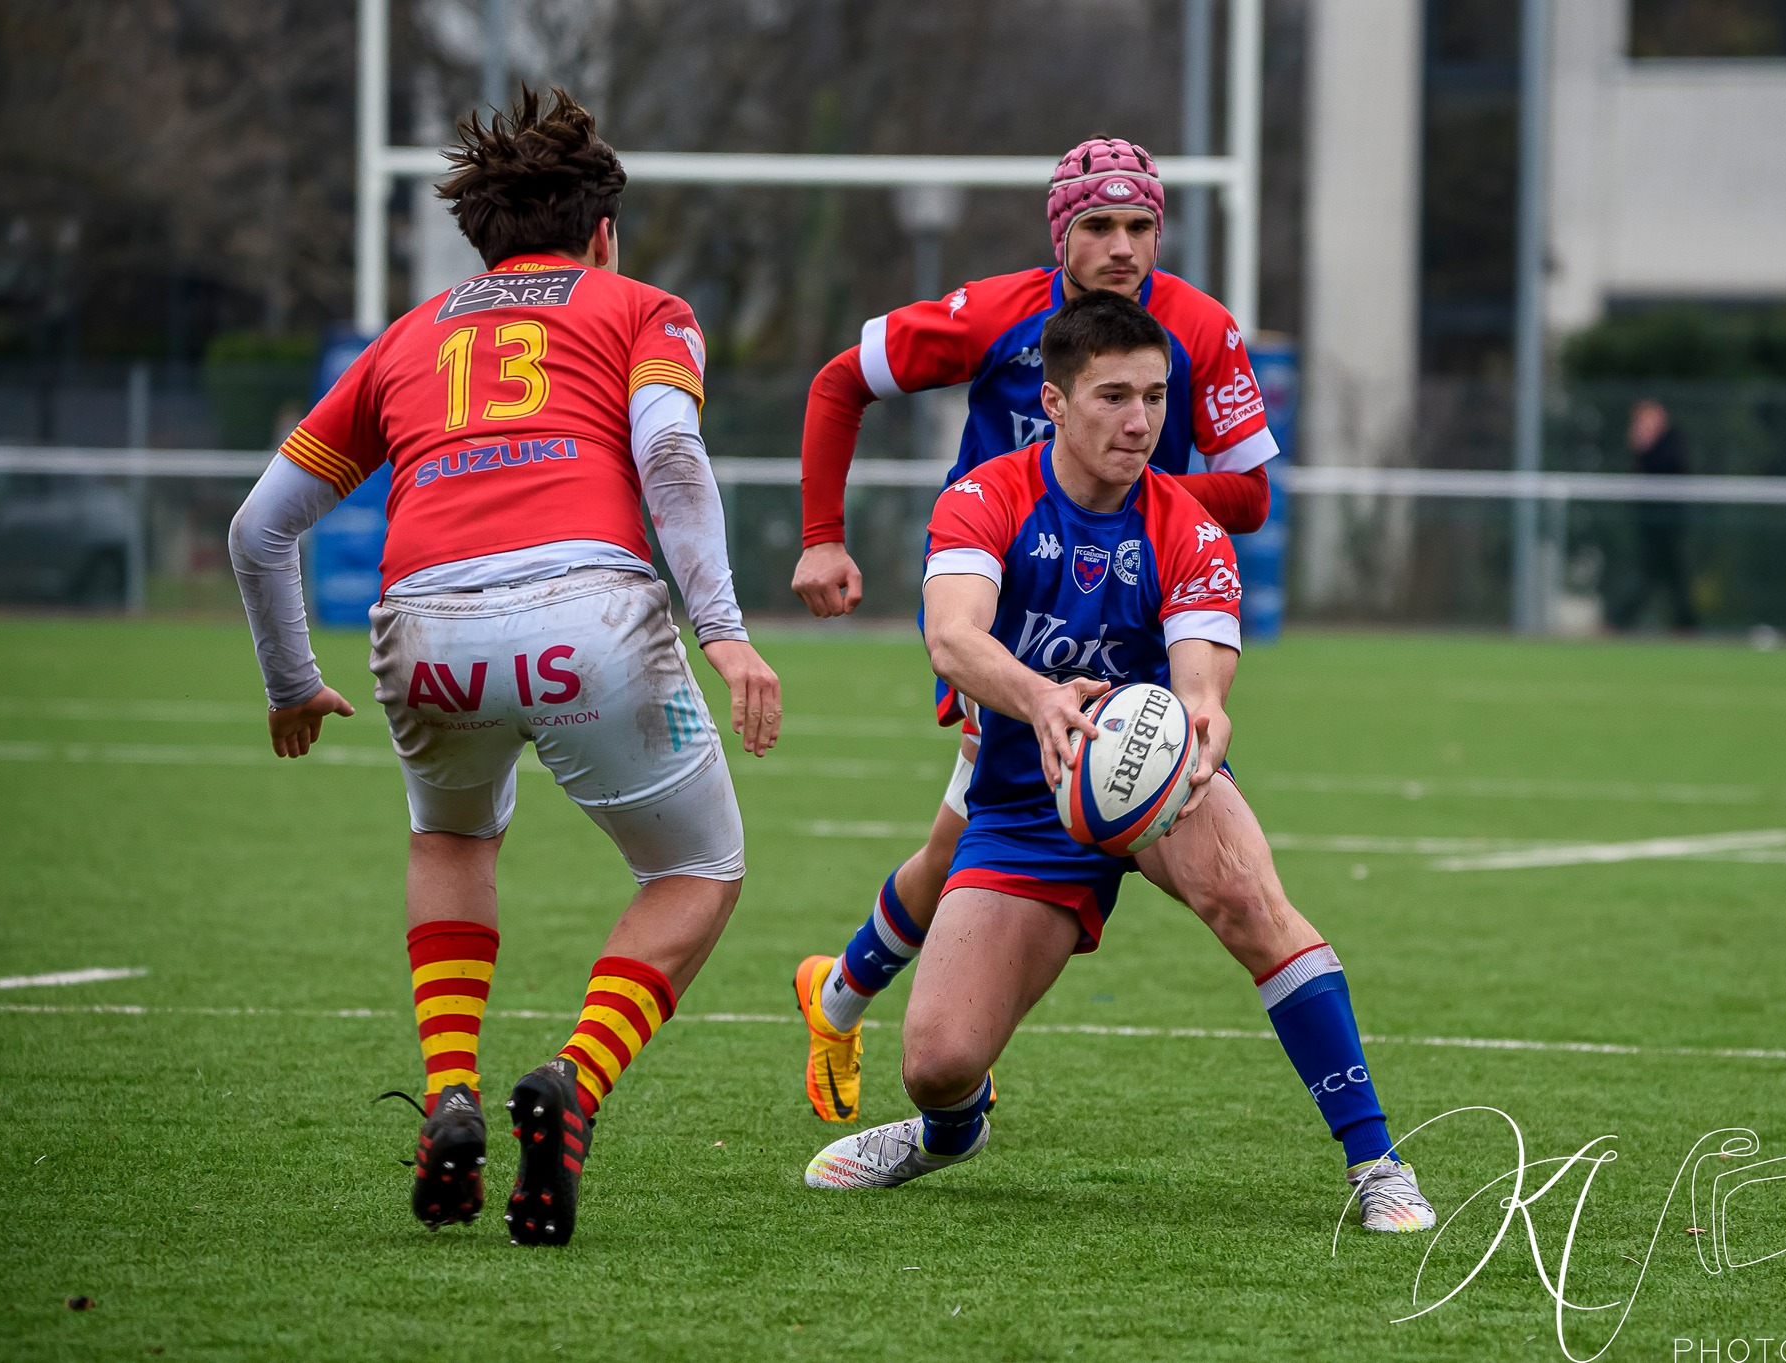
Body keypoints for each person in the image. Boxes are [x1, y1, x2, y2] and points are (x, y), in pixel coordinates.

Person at [226, 89, 781, 1247]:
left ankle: (449, 1094)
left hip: (422, 625)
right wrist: (722, 627)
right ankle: (571, 1083)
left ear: (476, 239)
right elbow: (668, 453)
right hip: (590, 613)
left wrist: (291, 680)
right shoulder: (641, 307)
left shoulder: (405, 338)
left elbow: (258, 529)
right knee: (698, 869)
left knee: (453, 837)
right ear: (602, 234)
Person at [801, 293, 1433, 1231]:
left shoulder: (1189, 525)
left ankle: (1377, 1161)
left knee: (1250, 903)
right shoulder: (985, 499)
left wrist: (1201, 726)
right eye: (1112, 397)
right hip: (1026, 802)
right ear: (1053, 402)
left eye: (1154, 396)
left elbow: (1202, 679)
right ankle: (948, 1133)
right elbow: (953, 638)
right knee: (936, 1061)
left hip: (1158, 774)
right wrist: (1041, 697)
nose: (1140, 422)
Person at [1612, 398, 1697, 631]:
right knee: (1666, 573)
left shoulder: (1671, 443)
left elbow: (1671, 468)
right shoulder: (1643, 447)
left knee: (1657, 573)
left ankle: (1618, 620)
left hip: (1668, 521)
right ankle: (1686, 623)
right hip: (1649, 521)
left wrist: (1645, 446)